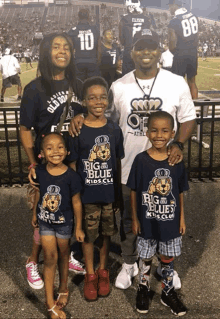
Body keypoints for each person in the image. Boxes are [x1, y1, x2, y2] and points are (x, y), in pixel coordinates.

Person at [69, 28, 196, 291]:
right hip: (127, 168)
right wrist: (81, 115)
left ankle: (164, 266)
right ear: (132, 52)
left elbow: (187, 118)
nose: (146, 52)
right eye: (140, 47)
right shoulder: (118, 85)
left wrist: (180, 144)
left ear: (160, 51)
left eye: (151, 47)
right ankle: (130, 263)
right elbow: (102, 115)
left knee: (165, 216)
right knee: (128, 219)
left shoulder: (176, 82)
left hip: (165, 167)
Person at [20, 32, 86, 291]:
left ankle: (66, 254)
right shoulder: (35, 88)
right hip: (46, 164)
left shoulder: (78, 84)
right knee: (45, 213)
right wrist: (33, 165)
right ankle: (31, 262)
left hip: (71, 164)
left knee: (66, 212)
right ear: (47, 51)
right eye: (56, 47)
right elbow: (25, 129)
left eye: (67, 47)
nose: (62, 51)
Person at [69, 76, 124, 301]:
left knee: (106, 234)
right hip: (87, 196)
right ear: (84, 101)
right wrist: (74, 198)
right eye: (92, 98)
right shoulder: (77, 130)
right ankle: (90, 273)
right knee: (89, 237)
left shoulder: (113, 129)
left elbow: (117, 163)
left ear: (108, 100)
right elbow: (73, 167)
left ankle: (103, 270)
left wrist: (118, 195)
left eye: (102, 97)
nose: (98, 102)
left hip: (108, 195)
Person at [128, 111, 188, 316]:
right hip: (146, 221)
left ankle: (167, 291)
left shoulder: (176, 161)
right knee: (145, 257)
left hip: (170, 221)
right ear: (147, 133)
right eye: (154, 130)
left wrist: (181, 217)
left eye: (164, 131)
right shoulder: (141, 160)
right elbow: (134, 191)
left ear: (172, 133)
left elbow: (179, 191)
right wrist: (135, 218)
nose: (159, 135)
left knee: (167, 256)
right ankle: (143, 288)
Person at [32, 132, 84, 319]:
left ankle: (63, 287)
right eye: (49, 147)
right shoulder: (39, 172)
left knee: (63, 256)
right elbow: (39, 193)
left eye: (60, 147)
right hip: (46, 223)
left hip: (64, 225)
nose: (55, 151)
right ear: (42, 153)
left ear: (66, 150)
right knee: (49, 258)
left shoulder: (72, 176)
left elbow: (77, 202)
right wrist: (34, 214)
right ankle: (49, 304)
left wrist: (78, 227)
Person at [168, 0, 199, 99]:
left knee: (176, 84)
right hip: (193, 53)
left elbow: (172, 45)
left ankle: (177, 109)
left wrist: (175, 53)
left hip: (180, 54)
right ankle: (195, 106)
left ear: (174, 5)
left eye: (170, 6)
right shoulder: (194, 16)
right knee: (192, 82)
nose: (169, 9)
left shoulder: (174, 21)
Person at [119, 0, 151, 75]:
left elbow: (122, 39)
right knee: (142, 75)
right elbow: (149, 37)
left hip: (129, 51)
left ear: (130, 7)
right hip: (142, 52)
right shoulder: (146, 20)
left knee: (127, 77)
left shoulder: (124, 19)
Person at [68, 8, 100, 82]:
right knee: (92, 85)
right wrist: (97, 61)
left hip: (78, 62)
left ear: (78, 17)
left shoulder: (73, 30)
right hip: (93, 61)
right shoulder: (94, 29)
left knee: (79, 85)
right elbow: (99, 48)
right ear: (88, 17)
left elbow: (70, 48)